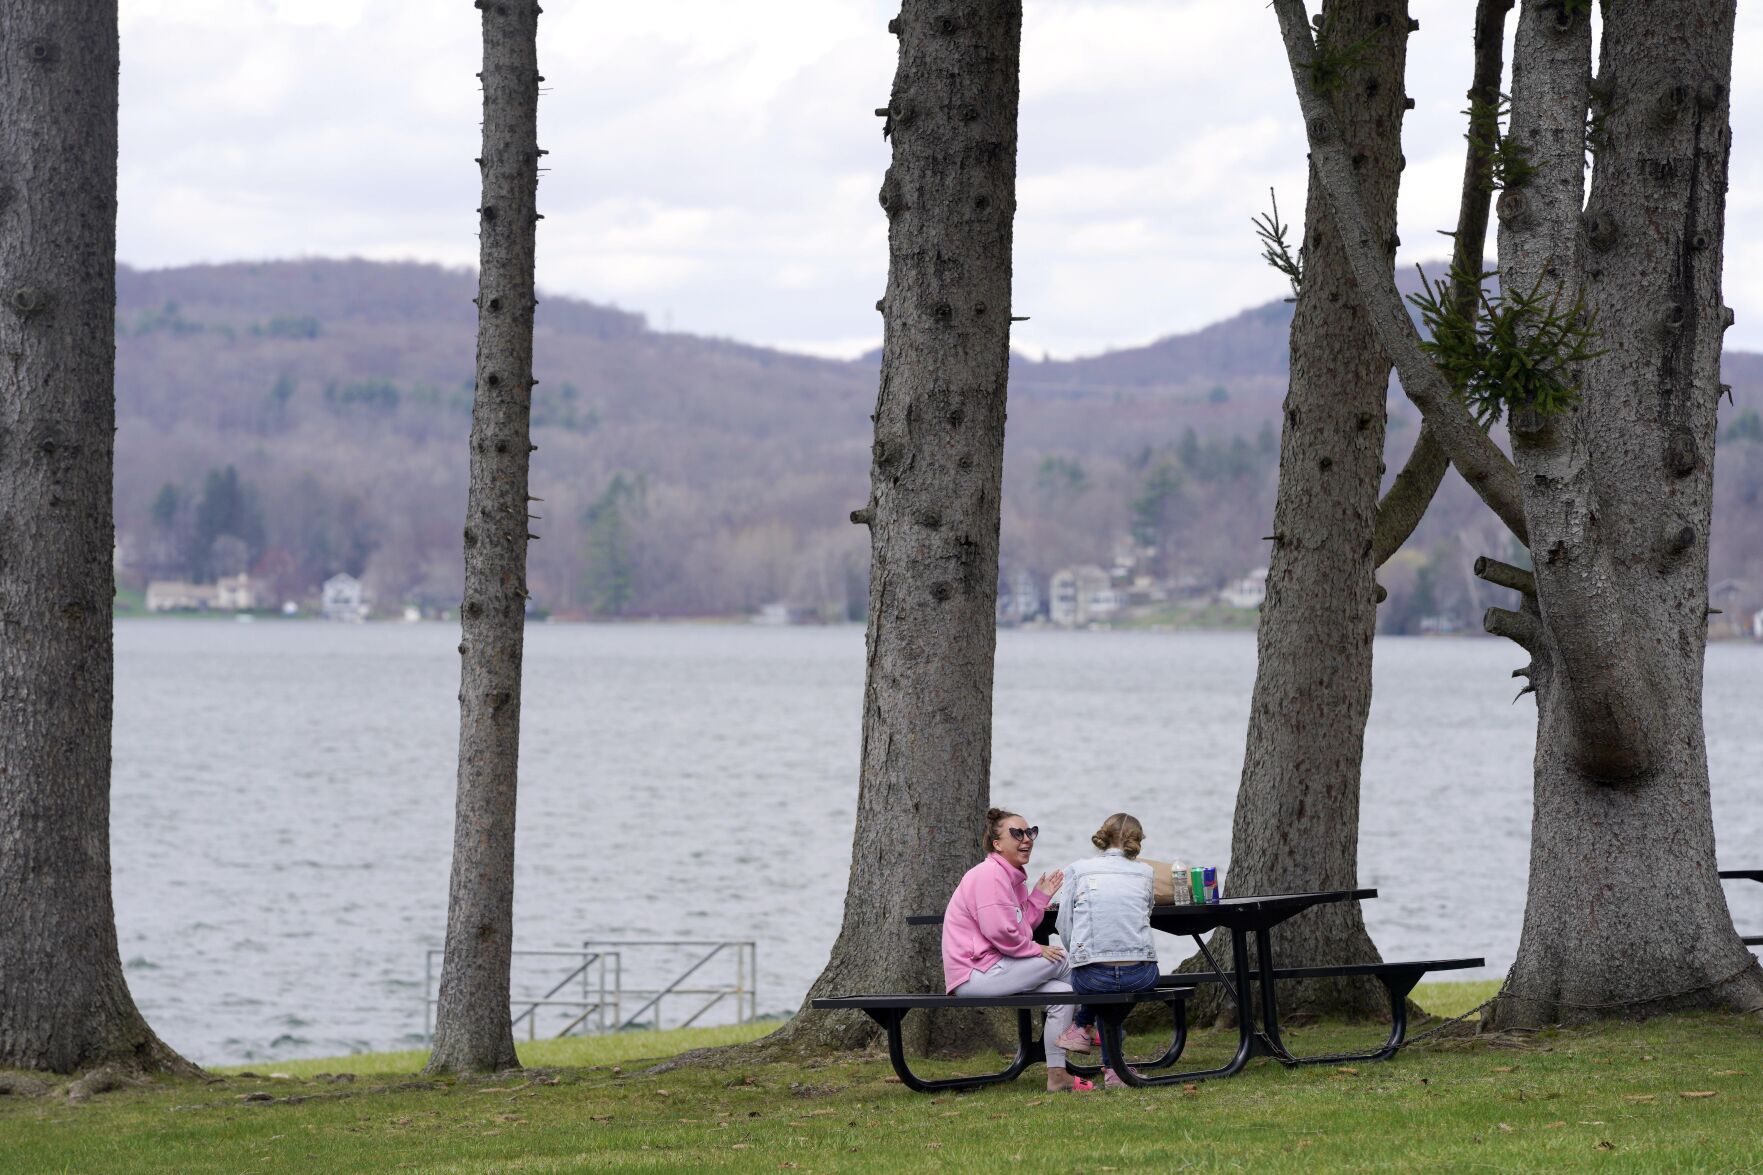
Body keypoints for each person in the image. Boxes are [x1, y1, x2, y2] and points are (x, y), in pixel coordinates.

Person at [942, 807, 1095, 1093]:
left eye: (1030, 832)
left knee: (1063, 995)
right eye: (1017, 833)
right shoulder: (989, 876)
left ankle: (1057, 1076)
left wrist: (1038, 899)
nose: (1027, 839)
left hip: (996, 968)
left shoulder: (1010, 877)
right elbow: (1001, 931)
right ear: (997, 844)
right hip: (975, 973)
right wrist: (1035, 947)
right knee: (1065, 960)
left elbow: (1018, 922)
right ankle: (1088, 1024)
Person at [1052, 812, 1160, 1088]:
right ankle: (1112, 1069)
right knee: (1112, 996)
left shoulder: (1077, 869)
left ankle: (1082, 1025)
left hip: (1091, 977)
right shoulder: (1147, 873)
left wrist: (1078, 956)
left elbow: (1064, 924)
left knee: (1100, 990)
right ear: (1137, 840)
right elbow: (1146, 915)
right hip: (1141, 975)